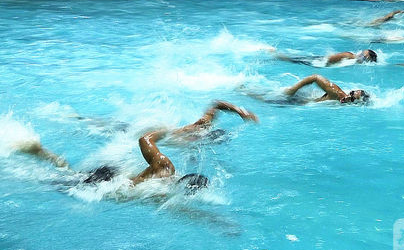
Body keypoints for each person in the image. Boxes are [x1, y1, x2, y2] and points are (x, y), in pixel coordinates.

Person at [18, 100, 258, 188]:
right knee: (63, 178)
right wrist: (164, 132)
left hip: (114, 175)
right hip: (113, 174)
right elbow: (144, 138)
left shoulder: (168, 176)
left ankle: (44, 153)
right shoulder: (169, 165)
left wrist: (241, 112)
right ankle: (44, 148)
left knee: (70, 174)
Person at [284, 74, 370, 104]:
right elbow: (315, 77)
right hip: (294, 101)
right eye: (351, 93)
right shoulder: (336, 93)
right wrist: (293, 90)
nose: (348, 97)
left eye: (352, 99)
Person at [274, 49, 377, 67]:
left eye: (364, 57)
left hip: (320, 61)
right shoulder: (349, 56)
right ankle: (275, 55)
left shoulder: (352, 60)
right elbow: (331, 59)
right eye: (363, 55)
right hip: (318, 61)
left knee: (294, 60)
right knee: (292, 60)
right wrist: (323, 65)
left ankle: (277, 56)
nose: (362, 57)